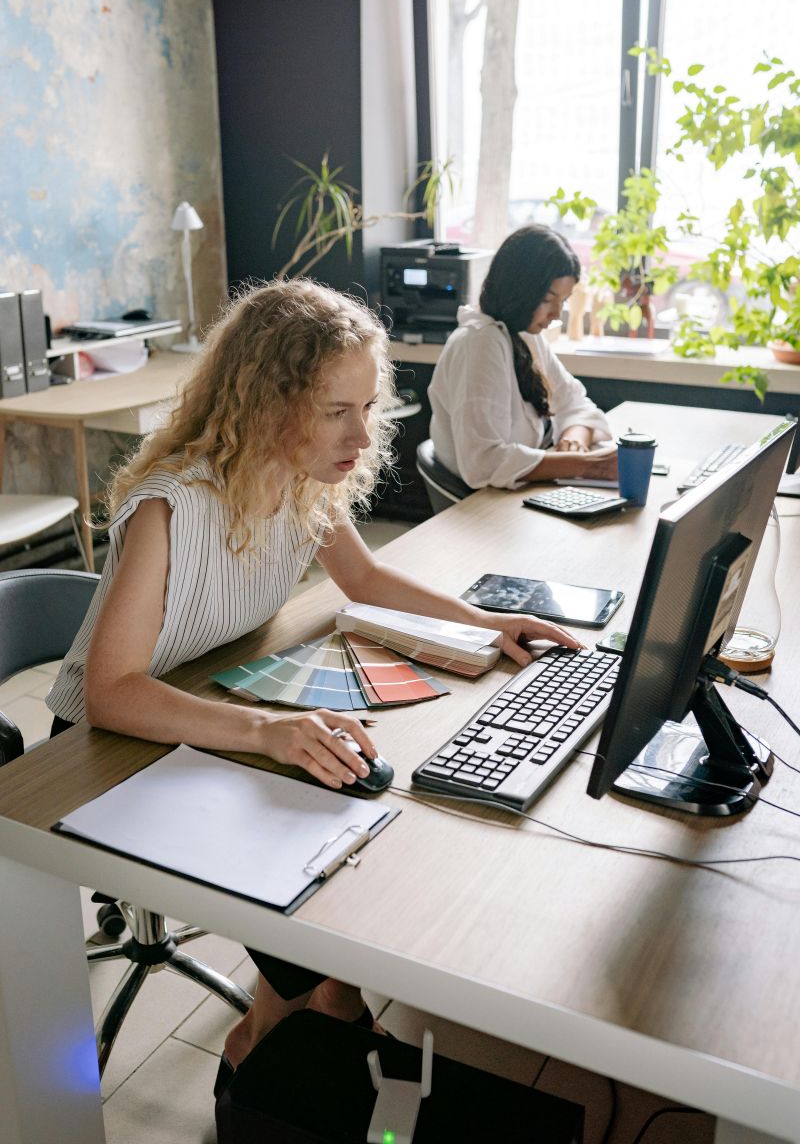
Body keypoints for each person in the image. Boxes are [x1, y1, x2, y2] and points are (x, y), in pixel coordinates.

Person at [46, 278, 581, 1078]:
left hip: (209, 701)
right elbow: (111, 691)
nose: (363, 437)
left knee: (355, 792)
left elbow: (365, 582)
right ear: (267, 403)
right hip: (111, 742)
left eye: (367, 409)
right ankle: (275, 1033)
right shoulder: (170, 506)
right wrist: (268, 729)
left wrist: (486, 623)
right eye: (339, 411)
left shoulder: (299, 482)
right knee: (305, 816)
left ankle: (319, 1007)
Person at [428, 224, 617, 490]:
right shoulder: (480, 344)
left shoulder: (525, 334)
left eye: (563, 301)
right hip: (483, 509)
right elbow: (484, 461)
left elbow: (575, 402)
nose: (556, 314)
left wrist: (575, 438)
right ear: (519, 288)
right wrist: (586, 465)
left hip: (519, 493)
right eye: (548, 300)